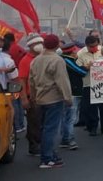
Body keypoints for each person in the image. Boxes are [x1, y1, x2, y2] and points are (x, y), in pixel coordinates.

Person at [29, 34, 73, 169]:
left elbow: (31, 81)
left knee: (44, 128)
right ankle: (47, 159)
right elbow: (62, 81)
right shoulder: (57, 60)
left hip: (40, 98)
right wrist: (68, 98)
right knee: (51, 129)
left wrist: (33, 97)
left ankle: (49, 154)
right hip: (54, 98)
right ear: (57, 45)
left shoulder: (36, 60)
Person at [18, 35, 47, 156]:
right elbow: (22, 81)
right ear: (30, 46)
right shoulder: (26, 60)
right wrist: (24, 98)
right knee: (34, 122)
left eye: (41, 42)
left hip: (45, 95)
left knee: (43, 122)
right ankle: (34, 146)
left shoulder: (44, 58)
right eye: (37, 43)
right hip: (33, 97)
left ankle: (42, 144)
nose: (40, 45)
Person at [75, 35, 103, 136]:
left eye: (96, 46)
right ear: (87, 46)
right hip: (88, 84)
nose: (94, 48)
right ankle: (93, 127)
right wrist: (86, 67)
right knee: (90, 108)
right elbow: (78, 70)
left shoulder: (102, 50)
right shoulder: (80, 54)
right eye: (92, 47)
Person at [59, 39, 86, 151]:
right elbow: (82, 72)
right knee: (70, 117)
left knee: (66, 117)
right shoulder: (67, 61)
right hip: (72, 92)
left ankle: (65, 138)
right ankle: (69, 139)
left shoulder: (64, 60)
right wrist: (86, 67)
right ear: (71, 52)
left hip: (69, 91)